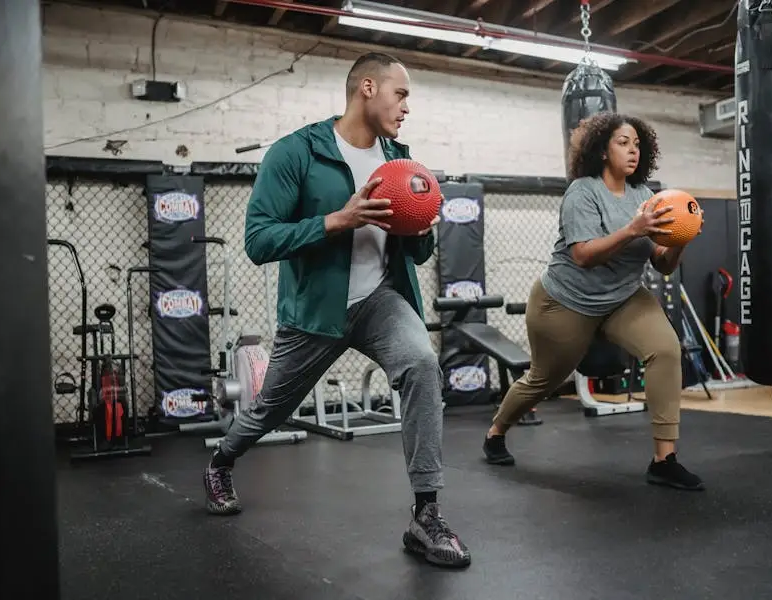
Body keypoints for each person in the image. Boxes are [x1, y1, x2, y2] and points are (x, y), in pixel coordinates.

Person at [202, 52, 471, 568]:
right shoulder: (296, 152)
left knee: (421, 364)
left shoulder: (401, 161)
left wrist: (421, 225)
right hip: (316, 310)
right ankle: (222, 460)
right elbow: (259, 240)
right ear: (367, 88)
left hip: (380, 300)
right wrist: (336, 221)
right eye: (401, 93)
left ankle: (426, 514)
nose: (406, 106)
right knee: (270, 408)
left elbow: (414, 252)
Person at [481, 112, 705, 491]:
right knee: (544, 379)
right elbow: (584, 256)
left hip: (622, 298)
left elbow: (663, 265)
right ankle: (496, 432)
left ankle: (664, 460)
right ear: (602, 150)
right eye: (623, 143)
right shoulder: (582, 192)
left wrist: (682, 237)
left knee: (665, 349)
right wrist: (632, 229)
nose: (632, 150)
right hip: (565, 301)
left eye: (637, 144)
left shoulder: (645, 198)